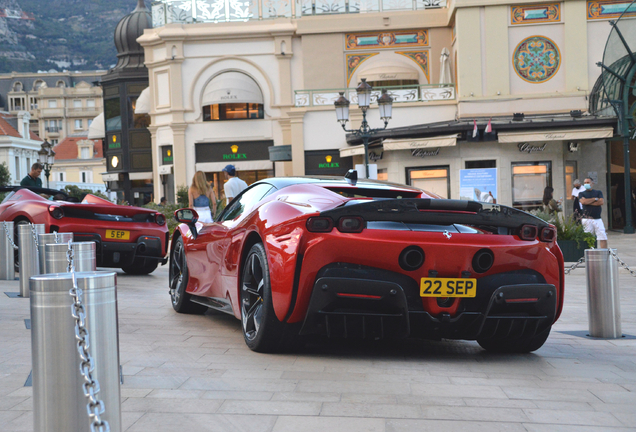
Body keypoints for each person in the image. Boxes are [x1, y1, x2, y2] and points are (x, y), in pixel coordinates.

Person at [579, 177, 608, 248]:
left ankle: (603, 254)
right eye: (585, 183)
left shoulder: (598, 192)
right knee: (588, 238)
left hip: (597, 218)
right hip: (586, 219)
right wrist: (595, 199)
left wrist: (587, 202)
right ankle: (590, 254)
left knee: (603, 236)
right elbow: (583, 202)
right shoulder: (581, 193)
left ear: (592, 183)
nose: (586, 184)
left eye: (588, 182)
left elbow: (601, 202)